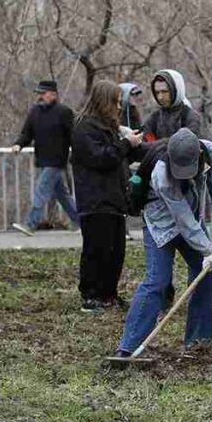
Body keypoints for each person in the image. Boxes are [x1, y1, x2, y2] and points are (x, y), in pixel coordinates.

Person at [113, 128, 212, 356]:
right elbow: (181, 218)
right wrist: (208, 249)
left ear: (198, 154)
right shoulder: (161, 171)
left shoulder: (211, 154)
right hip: (159, 222)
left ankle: (198, 342)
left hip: (191, 218)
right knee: (157, 281)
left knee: (206, 276)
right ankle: (128, 348)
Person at [71, 80, 143, 314]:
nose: (119, 108)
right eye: (116, 103)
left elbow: (119, 156)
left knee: (115, 251)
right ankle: (91, 295)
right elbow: (101, 158)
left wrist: (130, 143)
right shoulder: (84, 128)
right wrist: (124, 144)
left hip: (113, 199)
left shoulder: (110, 127)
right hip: (95, 199)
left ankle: (109, 294)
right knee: (96, 250)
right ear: (105, 102)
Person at [11, 80, 78, 236]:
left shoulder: (64, 112)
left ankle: (30, 224)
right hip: (42, 159)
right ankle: (80, 221)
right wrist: (18, 145)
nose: (40, 96)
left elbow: (74, 136)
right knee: (62, 195)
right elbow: (26, 133)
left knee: (41, 191)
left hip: (56, 161)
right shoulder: (35, 112)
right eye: (39, 93)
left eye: (43, 93)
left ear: (54, 94)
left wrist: (76, 154)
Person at [142, 69, 202, 142]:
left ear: (175, 90)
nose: (160, 97)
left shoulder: (190, 117)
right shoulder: (153, 119)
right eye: (157, 92)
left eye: (164, 92)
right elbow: (146, 144)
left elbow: (187, 145)